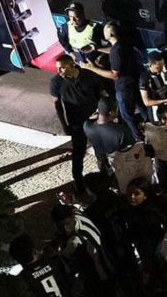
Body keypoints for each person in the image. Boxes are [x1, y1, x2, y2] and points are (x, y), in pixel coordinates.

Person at [52, 54, 109, 194]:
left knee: (100, 149)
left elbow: (103, 96)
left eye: (62, 68)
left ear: (72, 65)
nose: (59, 72)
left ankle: (106, 177)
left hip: (94, 120)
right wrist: (64, 124)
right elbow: (57, 103)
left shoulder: (89, 76)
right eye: (58, 69)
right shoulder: (56, 82)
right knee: (78, 153)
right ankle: (79, 183)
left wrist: (104, 115)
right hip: (76, 123)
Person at [82, 22, 145, 140]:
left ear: (110, 34)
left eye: (105, 30)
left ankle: (139, 138)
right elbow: (114, 50)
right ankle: (152, 126)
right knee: (142, 107)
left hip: (124, 87)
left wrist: (92, 68)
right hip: (134, 81)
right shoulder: (122, 44)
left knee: (127, 115)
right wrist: (97, 48)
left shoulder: (116, 51)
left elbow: (114, 75)